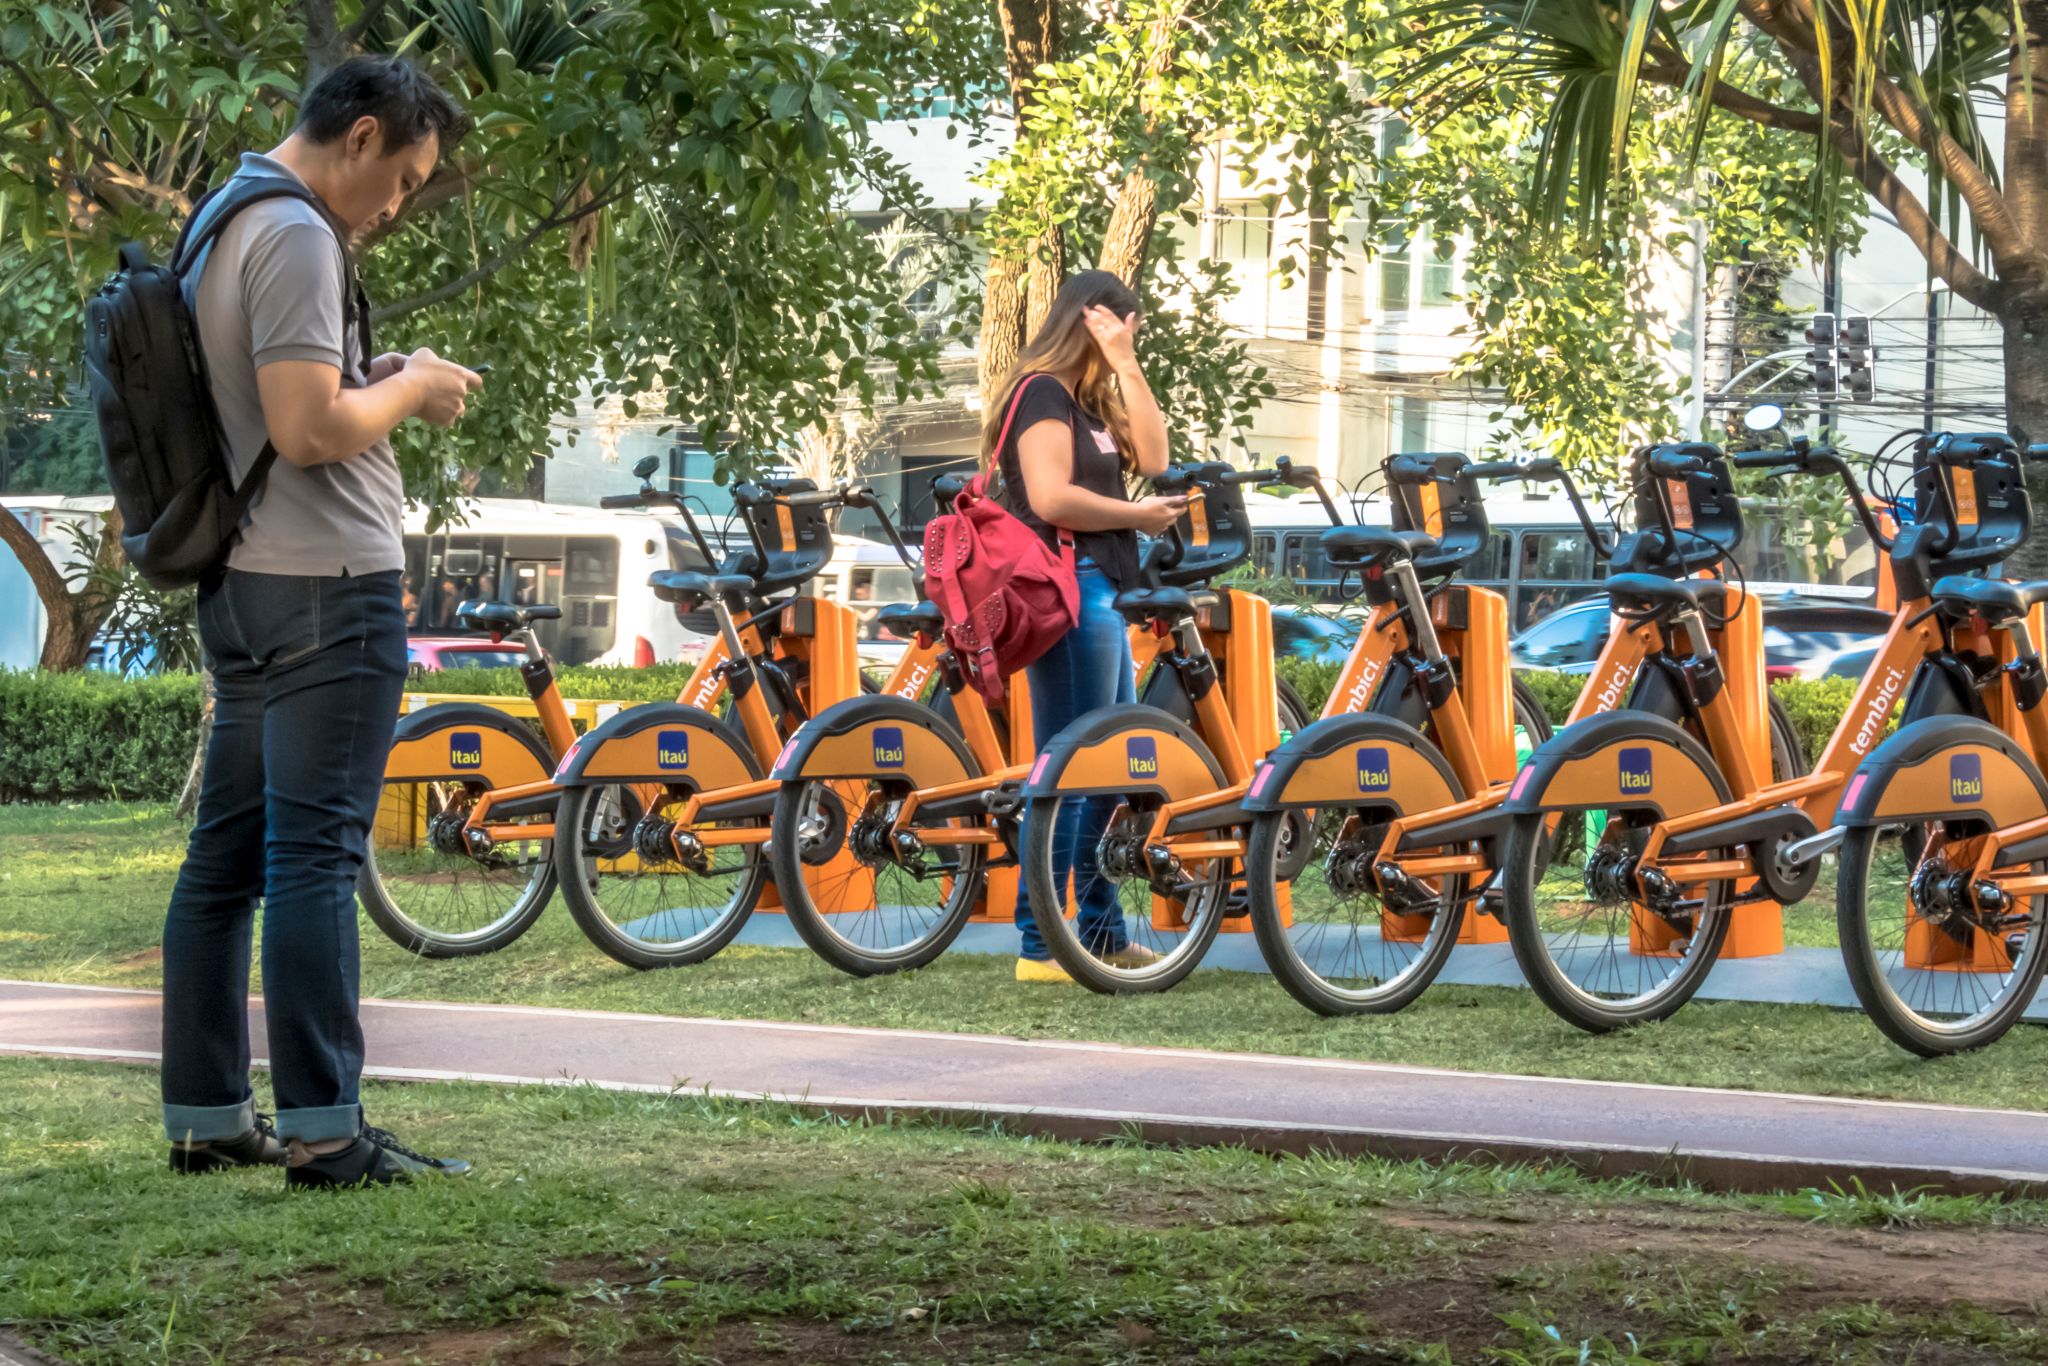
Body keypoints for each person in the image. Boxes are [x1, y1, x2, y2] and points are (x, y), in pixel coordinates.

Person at [160, 55, 483, 1189]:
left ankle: (204, 1110)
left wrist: (371, 370)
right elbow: (303, 428)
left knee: (227, 858)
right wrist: (411, 390)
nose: (397, 204)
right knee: (313, 857)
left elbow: (273, 397)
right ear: (358, 136)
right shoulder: (296, 232)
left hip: (243, 584)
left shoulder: (222, 215)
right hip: (324, 583)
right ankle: (325, 1129)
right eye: (401, 175)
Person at [986, 271, 1184, 983]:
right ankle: (1041, 945)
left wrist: (1128, 366)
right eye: (1127, 329)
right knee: (1068, 771)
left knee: (1100, 767)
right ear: (1095, 319)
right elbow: (1050, 497)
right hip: (1073, 591)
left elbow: (1156, 461)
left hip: (1104, 591)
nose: (1132, 341)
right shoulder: (1041, 392)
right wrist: (1139, 517)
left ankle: (1098, 932)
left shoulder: (1084, 401)